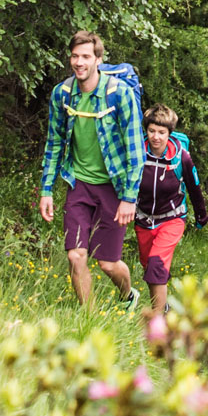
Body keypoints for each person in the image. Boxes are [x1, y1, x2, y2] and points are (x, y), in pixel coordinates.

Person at [38, 30, 144, 308]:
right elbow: (54, 143)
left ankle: (128, 296)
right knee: (76, 256)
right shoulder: (63, 94)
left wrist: (129, 198)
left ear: (98, 59)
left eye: (86, 56)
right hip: (79, 185)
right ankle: (89, 316)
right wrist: (46, 190)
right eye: (75, 56)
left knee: (108, 263)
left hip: (113, 187)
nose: (79, 62)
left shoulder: (119, 94)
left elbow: (136, 151)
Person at [133, 104, 208, 318]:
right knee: (149, 266)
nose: (155, 137)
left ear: (169, 133)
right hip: (143, 219)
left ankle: (157, 322)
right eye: (151, 131)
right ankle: (163, 307)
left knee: (156, 264)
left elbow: (194, 187)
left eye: (161, 132)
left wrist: (201, 215)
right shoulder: (138, 152)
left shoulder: (181, 157)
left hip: (172, 218)